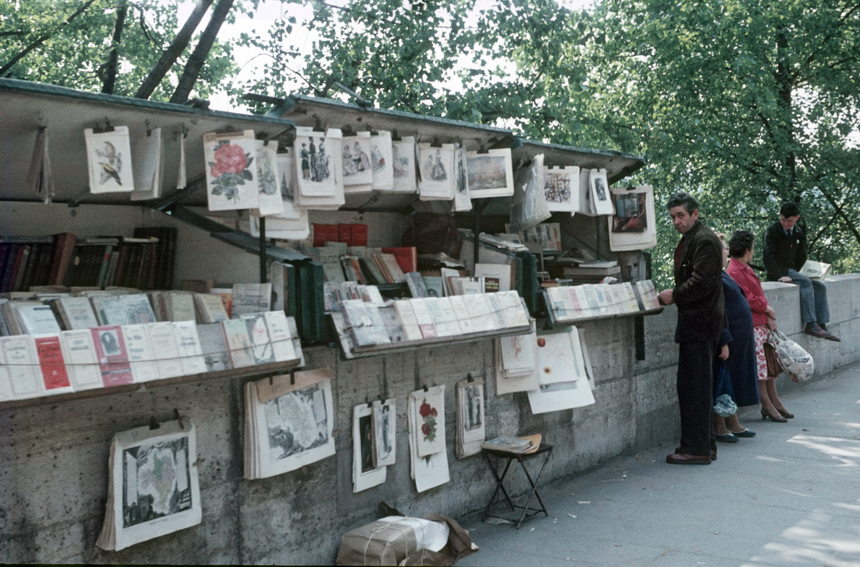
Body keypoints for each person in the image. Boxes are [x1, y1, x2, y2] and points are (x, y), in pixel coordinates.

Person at [657, 192, 725, 465]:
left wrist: (674, 295)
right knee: (697, 386)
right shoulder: (695, 238)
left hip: (700, 323)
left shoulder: (703, 239)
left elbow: (702, 282)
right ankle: (705, 445)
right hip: (700, 322)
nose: (676, 221)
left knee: (694, 387)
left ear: (694, 214)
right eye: (673, 217)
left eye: (681, 216)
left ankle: (696, 449)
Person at [727, 230, 793, 422]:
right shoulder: (735, 271)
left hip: (759, 323)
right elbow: (748, 298)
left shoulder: (742, 268)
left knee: (769, 365)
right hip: (751, 324)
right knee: (762, 368)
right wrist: (768, 309)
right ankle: (767, 403)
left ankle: (774, 401)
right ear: (747, 250)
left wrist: (767, 314)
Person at [762, 202, 839, 341]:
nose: (785, 223)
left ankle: (821, 323)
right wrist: (780, 275)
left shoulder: (798, 232)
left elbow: (802, 255)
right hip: (781, 271)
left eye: (789, 221)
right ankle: (810, 324)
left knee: (820, 286)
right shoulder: (772, 232)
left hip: (794, 271)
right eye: (783, 220)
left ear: (796, 218)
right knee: (805, 283)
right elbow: (768, 258)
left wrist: (805, 271)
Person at [712, 233, 759, 442]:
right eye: (723, 248)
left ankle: (732, 420)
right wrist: (724, 338)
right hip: (729, 336)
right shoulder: (712, 276)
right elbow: (717, 309)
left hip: (739, 335)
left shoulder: (721, 274)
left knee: (731, 380)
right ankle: (720, 424)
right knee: (723, 380)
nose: (727, 252)